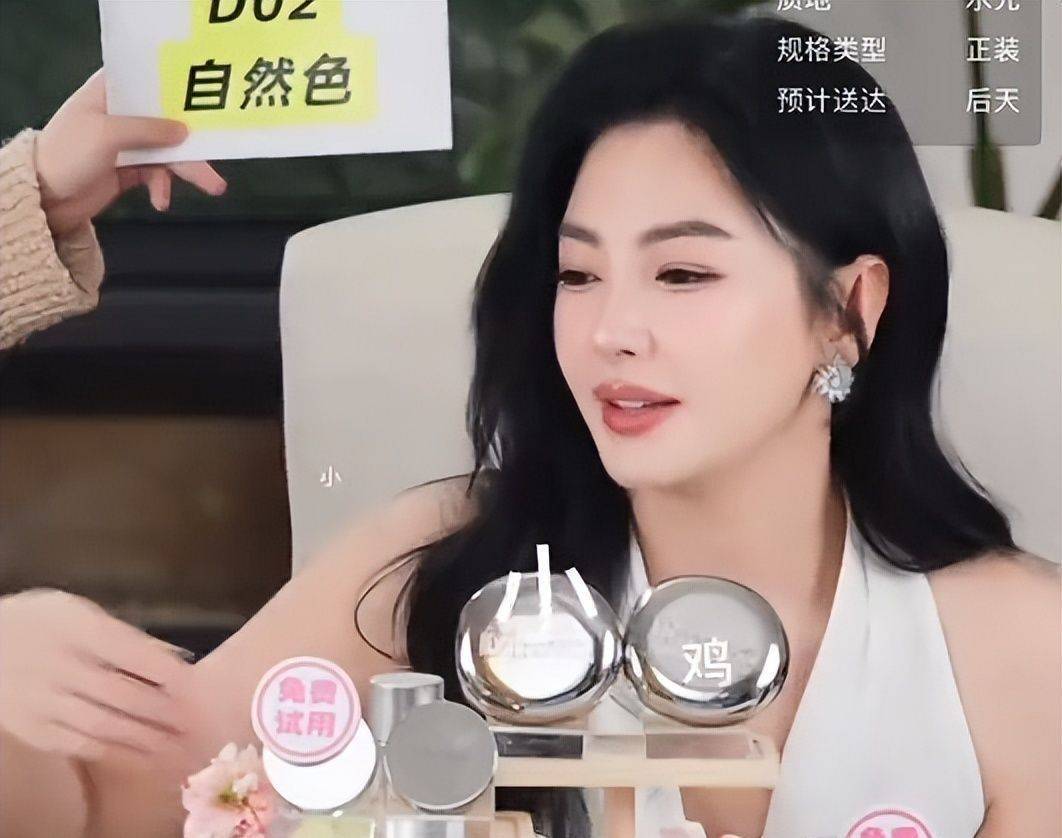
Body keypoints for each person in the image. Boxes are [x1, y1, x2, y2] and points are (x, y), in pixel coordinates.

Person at [1, 12, 1058, 838]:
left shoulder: (1017, 644)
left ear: (850, 309)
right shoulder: (440, 573)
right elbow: (114, 800)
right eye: (578, 274)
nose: (612, 332)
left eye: (682, 274)